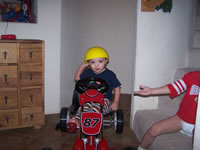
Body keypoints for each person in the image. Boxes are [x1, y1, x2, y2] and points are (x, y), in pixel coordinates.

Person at [129, 71, 199, 150]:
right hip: (181, 118)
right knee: (154, 129)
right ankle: (141, 148)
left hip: (197, 126)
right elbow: (174, 87)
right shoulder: (194, 76)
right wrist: (152, 91)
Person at [68, 46, 121, 129]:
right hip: (89, 99)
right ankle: (77, 121)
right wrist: (82, 66)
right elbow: (77, 78)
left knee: (95, 108)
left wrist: (116, 102)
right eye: (92, 62)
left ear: (106, 61)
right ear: (88, 63)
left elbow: (117, 88)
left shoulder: (110, 75)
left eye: (100, 61)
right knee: (83, 107)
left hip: (105, 101)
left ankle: (91, 124)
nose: (97, 65)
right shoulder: (87, 72)